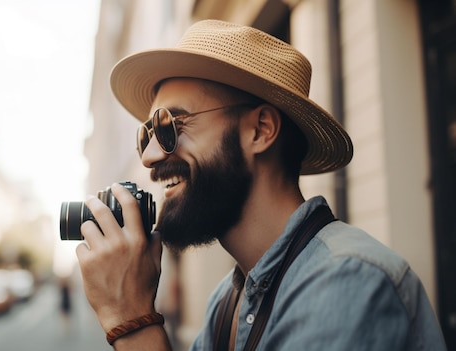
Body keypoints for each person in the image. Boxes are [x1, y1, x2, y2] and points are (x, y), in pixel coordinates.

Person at [75, 19, 447, 350]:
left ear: (261, 130)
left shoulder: (348, 281)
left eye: (171, 126)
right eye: (147, 136)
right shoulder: (226, 302)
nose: (150, 156)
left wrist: (133, 322)